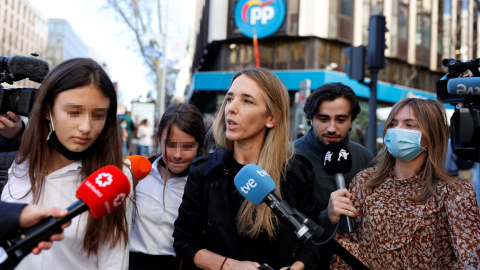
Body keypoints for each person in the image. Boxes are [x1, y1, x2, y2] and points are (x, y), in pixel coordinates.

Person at [173, 68, 320, 270]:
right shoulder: (204, 172)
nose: (231, 108)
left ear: (271, 117)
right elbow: (185, 243)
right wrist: (231, 266)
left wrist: (295, 268)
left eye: (247, 101)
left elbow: (311, 243)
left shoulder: (296, 172)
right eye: (230, 98)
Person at [1, 58, 134, 270]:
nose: (86, 127)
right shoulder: (21, 162)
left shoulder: (114, 178)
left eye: (98, 115)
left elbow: (114, 261)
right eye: (74, 112)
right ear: (47, 110)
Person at [329, 98, 480, 269]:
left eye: (409, 125)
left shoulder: (455, 192)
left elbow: (470, 260)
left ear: (431, 135)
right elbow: (346, 244)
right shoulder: (364, 182)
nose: (397, 130)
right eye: (393, 124)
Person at [129, 103, 206, 270]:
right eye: (170, 145)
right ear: (158, 140)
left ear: (199, 145)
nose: (177, 155)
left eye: (188, 146)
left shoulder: (205, 185)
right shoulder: (136, 176)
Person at [294, 83, 373, 233]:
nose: (331, 128)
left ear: (352, 120)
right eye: (323, 119)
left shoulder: (364, 158)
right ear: (310, 119)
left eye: (341, 120)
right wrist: (326, 217)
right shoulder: (288, 156)